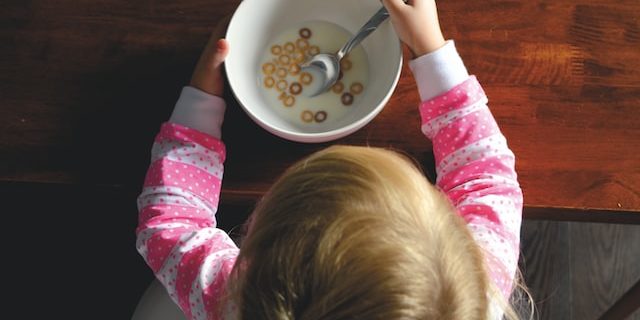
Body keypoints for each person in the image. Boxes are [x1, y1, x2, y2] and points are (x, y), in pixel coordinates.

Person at [136, 0, 532, 319]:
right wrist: (431, 48)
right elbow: (485, 176)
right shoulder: (477, 289)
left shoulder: (233, 299)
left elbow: (171, 225)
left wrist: (201, 101)